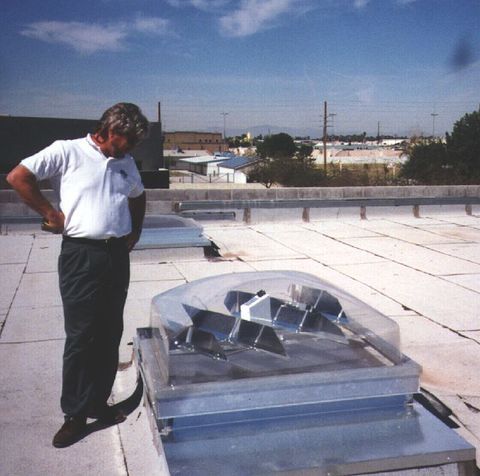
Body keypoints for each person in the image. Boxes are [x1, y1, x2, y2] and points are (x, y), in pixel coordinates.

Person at [6, 102, 149, 448]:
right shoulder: (67, 151)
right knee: (82, 335)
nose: (131, 148)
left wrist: (135, 232)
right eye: (129, 140)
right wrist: (49, 212)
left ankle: (98, 402)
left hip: (116, 256)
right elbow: (18, 177)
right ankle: (74, 414)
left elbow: (139, 196)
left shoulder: (126, 162)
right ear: (111, 130)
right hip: (81, 255)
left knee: (110, 331)